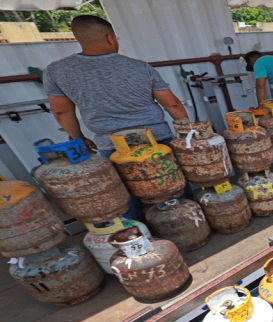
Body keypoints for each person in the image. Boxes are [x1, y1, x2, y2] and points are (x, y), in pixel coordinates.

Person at [44, 15, 189, 221]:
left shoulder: (56, 71)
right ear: (110, 38)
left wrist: (78, 139)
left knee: (124, 195)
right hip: (157, 140)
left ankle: (140, 236)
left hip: (112, 145)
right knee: (173, 184)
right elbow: (172, 104)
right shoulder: (140, 67)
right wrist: (187, 132)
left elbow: (62, 111)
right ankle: (188, 223)